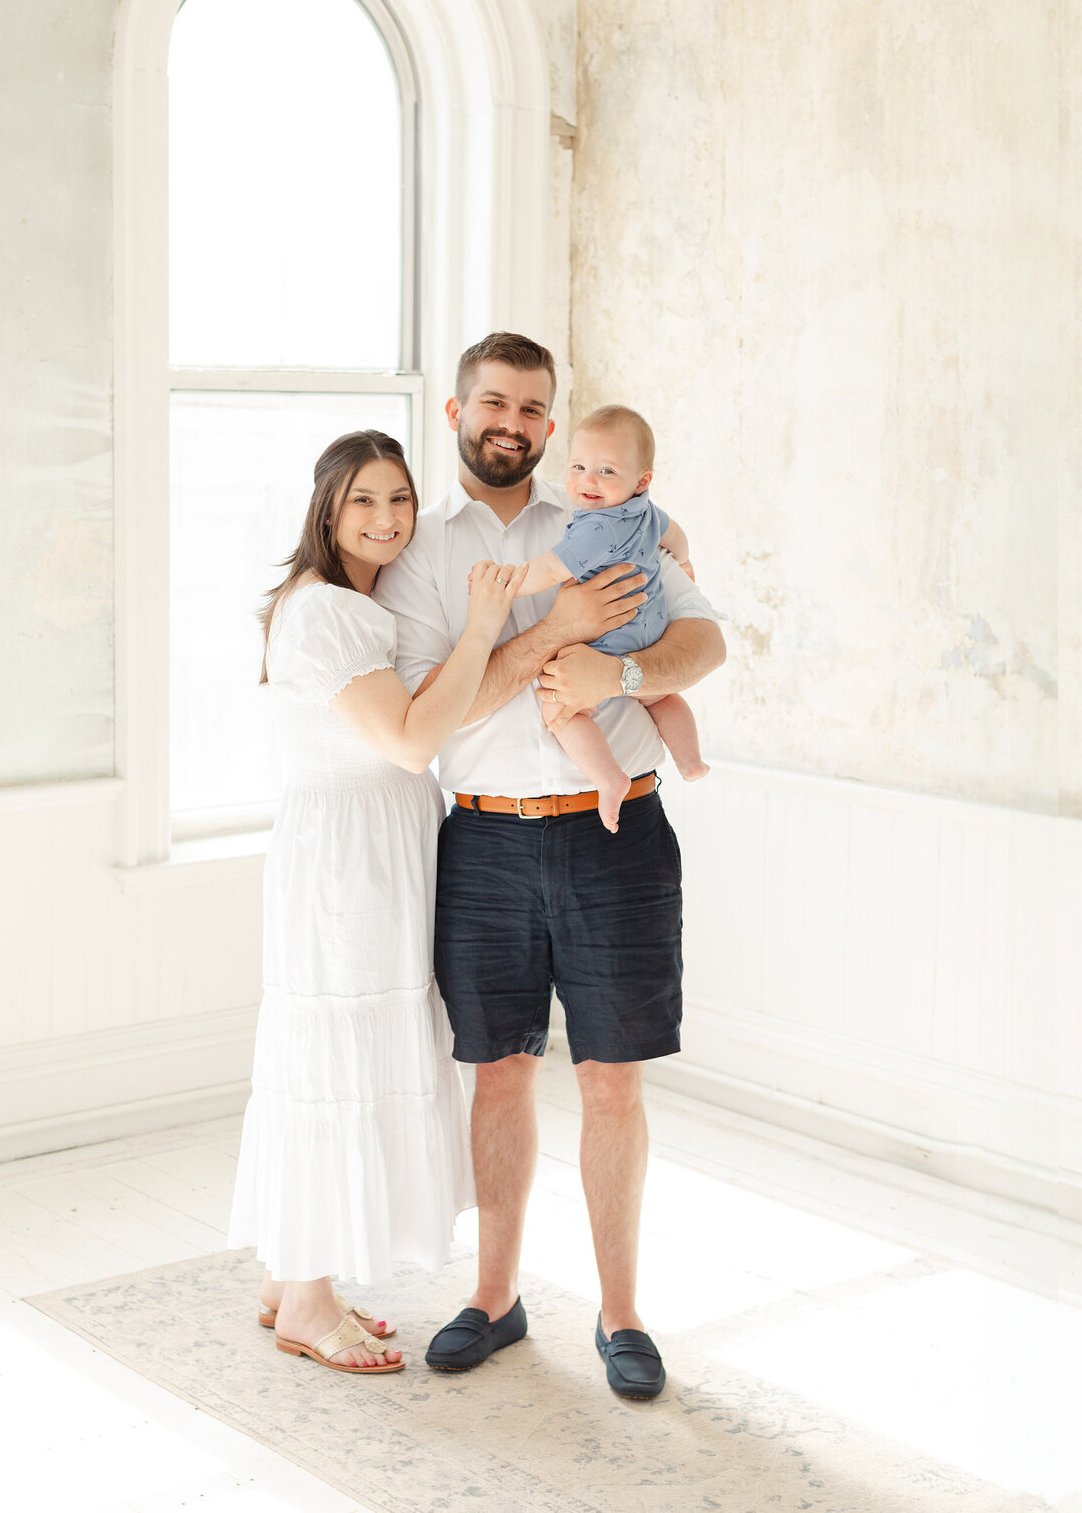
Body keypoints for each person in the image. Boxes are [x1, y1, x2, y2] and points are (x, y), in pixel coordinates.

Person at [374, 333, 725, 1399]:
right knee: (500, 1070)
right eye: (494, 402)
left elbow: (703, 645)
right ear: (456, 412)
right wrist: (555, 631)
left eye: (534, 408)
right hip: (481, 835)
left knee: (613, 1078)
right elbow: (432, 718)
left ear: (553, 423)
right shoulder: (423, 554)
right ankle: (493, 1298)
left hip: (616, 833)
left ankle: (621, 1314)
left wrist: (614, 661)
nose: (513, 424)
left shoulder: (614, 523)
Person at [227, 429, 526, 1376]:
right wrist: (483, 629)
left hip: (366, 852)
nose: (389, 518)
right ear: (327, 508)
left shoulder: (352, 606)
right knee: (338, 1063)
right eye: (365, 500)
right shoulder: (327, 615)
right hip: (351, 866)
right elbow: (408, 741)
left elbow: (430, 717)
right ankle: (308, 1302)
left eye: (401, 499)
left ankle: (291, 1272)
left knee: (333, 1055)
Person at [510, 402, 708, 833]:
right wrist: (685, 561)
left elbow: (549, 570)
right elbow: (676, 535)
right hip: (650, 631)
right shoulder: (648, 512)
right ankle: (690, 761)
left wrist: (507, 584)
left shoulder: (597, 526)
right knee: (664, 697)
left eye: (606, 471)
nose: (587, 481)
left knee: (560, 712)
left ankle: (608, 778)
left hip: (609, 637)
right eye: (579, 466)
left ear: (642, 479)